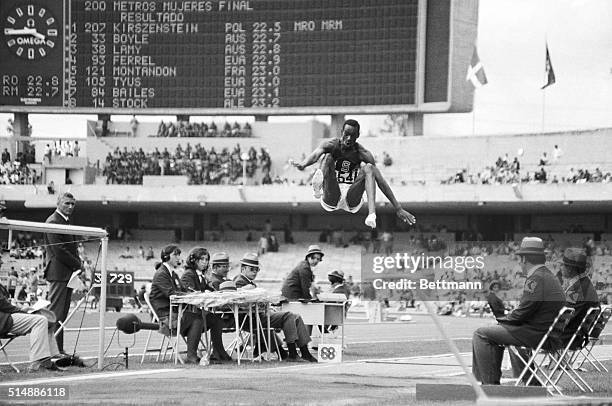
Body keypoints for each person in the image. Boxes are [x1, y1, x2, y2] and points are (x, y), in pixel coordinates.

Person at [471, 237, 565, 385]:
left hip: (536, 333)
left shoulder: (536, 278)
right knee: (493, 332)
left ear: (524, 259)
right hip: (545, 332)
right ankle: (520, 381)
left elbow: (523, 312)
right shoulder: (547, 275)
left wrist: (502, 320)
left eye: (520, 259)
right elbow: (527, 310)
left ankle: (489, 384)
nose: (520, 263)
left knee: (481, 334)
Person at [290, 119, 416, 229]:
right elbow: (316, 155)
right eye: (347, 134)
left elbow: (380, 181)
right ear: (341, 132)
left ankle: (371, 214)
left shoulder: (363, 153)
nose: (349, 139)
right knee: (327, 157)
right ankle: (317, 188)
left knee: (369, 168)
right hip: (332, 193)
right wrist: (303, 164)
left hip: (352, 195)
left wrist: (398, 208)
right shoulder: (331, 144)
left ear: (358, 136)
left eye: (353, 135)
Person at [234, 253, 317, 362]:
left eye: (256, 270)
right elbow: (242, 302)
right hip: (250, 318)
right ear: (243, 268)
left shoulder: (247, 281)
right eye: (252, 269)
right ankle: (293, 353)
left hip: (257, 315)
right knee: (288, 316)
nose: (255, 272)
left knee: (295, 317)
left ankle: (304, 351)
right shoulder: (240, 281)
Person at [0, 255, 62, 371]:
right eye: (0, 259)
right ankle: (38, 363)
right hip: (3, 320)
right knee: (40, 320)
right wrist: (20, 309)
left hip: (6, 316)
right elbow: (1, 303)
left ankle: (50, 358)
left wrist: (20, 308)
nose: (2, 261)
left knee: (44, 318)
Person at [149, 245, 203, 364]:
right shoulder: (161, 274)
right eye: (175, 255)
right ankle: (192, 355)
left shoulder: (172, 274)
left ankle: (192, 355)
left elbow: (182, 291)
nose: (178, 258)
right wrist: (189, 296)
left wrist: (193, 294)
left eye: (179, 254)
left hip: (173, 312)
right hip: (165, 317)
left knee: (197, 316)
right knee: (196, 318)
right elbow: (171, 294)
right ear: (166, 257)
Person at [43, 193, 82, 356]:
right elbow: (59, 251)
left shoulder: (64, 221)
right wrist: (78, 263)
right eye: (67, 203)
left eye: (73, 204)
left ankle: (58, 349)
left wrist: (77, 265)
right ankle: (49, 350)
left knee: (62, 315)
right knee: (55, 313)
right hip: (59, 273)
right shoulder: (53, 221)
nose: (70, 207)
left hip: (67, 273)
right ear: (58, 203)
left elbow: (70, 249)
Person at [180, 247, 232, 362]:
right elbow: (190, 295)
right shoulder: (188, 274)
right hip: (186, 315)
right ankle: (191, 355)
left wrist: (209, 284)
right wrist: (206, 293)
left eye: (206, 259)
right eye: (202, 259)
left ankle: (218, 352)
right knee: (198, 319)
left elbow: (212, 291)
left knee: (217, 320)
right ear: (194, 260)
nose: (205, 262)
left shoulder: (201, 276)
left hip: (197, 313)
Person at [559, 248, 599, 349]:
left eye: (563, 265)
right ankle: (557, 364)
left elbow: (561, 315)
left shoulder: (576, 289)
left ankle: (525, 366)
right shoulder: (585, 284)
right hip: (577, 337)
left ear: (570, 269)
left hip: (566, 339)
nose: (561, 267)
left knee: (517, 335)